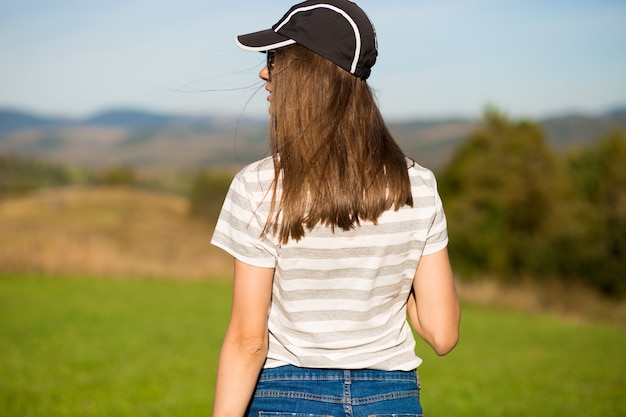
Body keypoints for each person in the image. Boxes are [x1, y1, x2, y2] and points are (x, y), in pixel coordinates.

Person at [210, 1, 461, 416]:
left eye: (274, 58)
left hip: (286, 396)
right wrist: (394, 269)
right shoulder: (418, 185)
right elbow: (442, 333)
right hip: (391, 399)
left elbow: (248, 342)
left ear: (309, 71)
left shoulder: (258, 186)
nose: (264, 72)